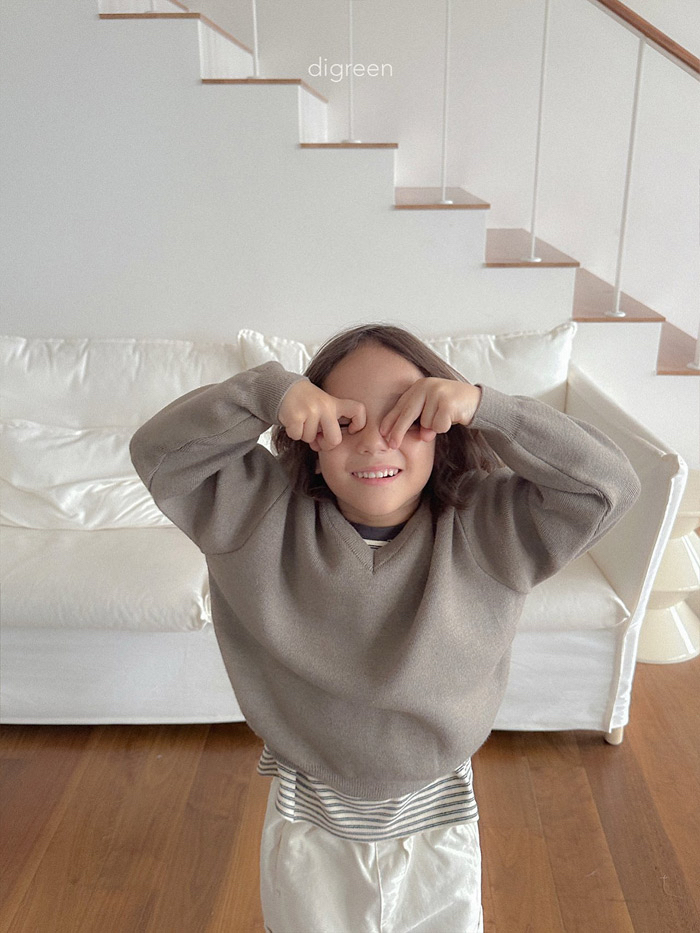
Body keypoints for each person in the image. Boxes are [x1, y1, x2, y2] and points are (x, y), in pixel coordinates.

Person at [130, 323, 641, 933]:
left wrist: (489, 407)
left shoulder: (489, 524)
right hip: (311, 814)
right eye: (346, 422)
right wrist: (266, 394)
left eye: (407, 418)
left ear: (445, 431)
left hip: (437, 817)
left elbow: (610, 486)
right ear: (309, 436)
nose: (375, 443)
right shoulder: (255, 513)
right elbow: (158, 453)